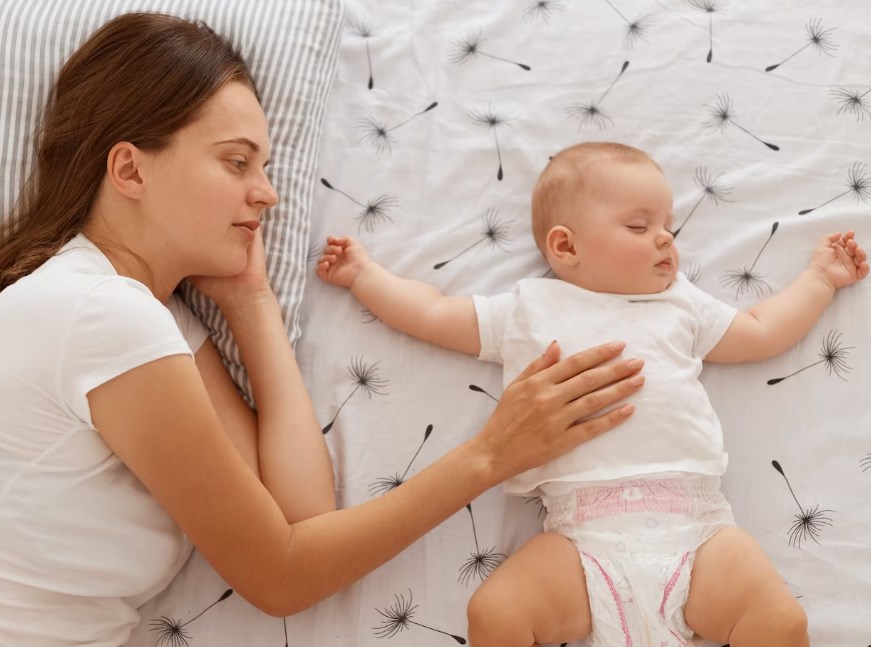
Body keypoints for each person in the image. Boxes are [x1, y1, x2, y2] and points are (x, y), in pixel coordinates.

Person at [0, 16, 648, 647]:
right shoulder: (101, 316)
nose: (268, 192)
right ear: (129, 170)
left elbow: (303, 517)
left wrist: (251, 304)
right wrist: (491, 452)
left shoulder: (149, 316)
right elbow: (282, 574)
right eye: (236, 162)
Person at [316, 141, 869, 647]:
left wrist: (820, 279)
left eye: (668, 227)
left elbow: (760, 330)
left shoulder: (681, 303)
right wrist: (364, 276)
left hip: (697, 530)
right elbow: (435, 313)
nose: (665, 239)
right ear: (566, 245)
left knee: (780, 622)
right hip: (580, 539)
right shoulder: (528, 310)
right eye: (638, 225)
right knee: (495, 613)